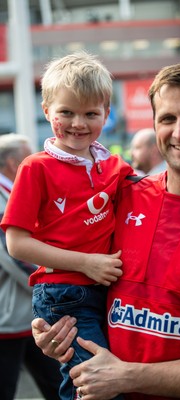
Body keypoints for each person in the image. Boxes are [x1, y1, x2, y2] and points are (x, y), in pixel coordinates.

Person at [33, 62, 180, 400]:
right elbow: (74, 288)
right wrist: (54, 333)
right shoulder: (119, 196)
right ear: (155, 124)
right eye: (168, 119)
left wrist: (127, 377)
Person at [1, 52, 134, 400]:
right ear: (47, 111)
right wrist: (86, 262)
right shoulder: (35, 167)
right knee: (94, 383)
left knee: (113, 378)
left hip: (109, 290)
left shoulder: (115, 167)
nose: (78, 123)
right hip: (64, 295)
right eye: (66, 112)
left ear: (107, 113)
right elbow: (16, 244)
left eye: (91, 113)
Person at [0, 133, 62, 400]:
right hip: (9, 318)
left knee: (56, 384)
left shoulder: (12, 193)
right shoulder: (3, 197)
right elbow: (13, 256)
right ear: (15, 163)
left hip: (25, 315)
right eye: (30, 156)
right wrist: (48, 283)